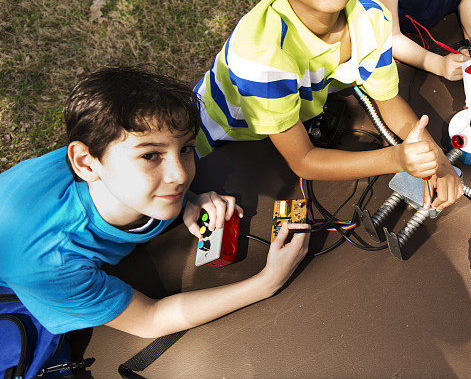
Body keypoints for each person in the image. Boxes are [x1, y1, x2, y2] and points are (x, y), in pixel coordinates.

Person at [194, 0, 462, 209]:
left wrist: (439, 162)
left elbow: (389, 103)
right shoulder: (261, 58)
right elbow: (304, 160)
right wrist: (398, 159)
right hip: (221, 146)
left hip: (283, 126)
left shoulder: (371, 16)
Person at [0, 67, 310, 340]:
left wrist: (187, 200)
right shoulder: (51, 264)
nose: (179, 175)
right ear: (86, 163)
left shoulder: (108, 161)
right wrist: (267, 282)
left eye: (186, 148)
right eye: (151, 156)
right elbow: (149, 320)